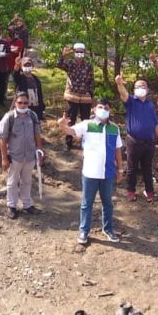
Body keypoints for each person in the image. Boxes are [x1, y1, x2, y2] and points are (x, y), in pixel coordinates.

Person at [57, 99, 124, 244]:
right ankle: (84, 231)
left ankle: (108, 229)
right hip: (90, 172)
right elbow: (71, 131)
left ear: (110, 111)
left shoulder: (114, 128)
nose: (103, 109)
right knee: (87, 203)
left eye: (106, 107)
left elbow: (118, 150)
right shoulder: (87, 125)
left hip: (108, 173)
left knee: (108, 203)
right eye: (100, 107)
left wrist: (120, 169)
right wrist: (62, 124)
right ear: (94, 109)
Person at [115, 74, 158, 202]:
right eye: (137, 86)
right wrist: (119, 84)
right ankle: (131, 191)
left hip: (149, 143)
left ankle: (150, 192)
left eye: (143, 86)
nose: (141, 88)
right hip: (133, 141)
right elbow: (123, 94)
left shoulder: (150, 105)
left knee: (147, 168)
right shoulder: (131, 101)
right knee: (132, 168)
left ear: (147, 89)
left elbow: (156, 123)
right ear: (134, 89)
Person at [0, 92, 44, 219]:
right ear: (15, 103)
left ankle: (27, 204)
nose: (23, 105)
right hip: (15, 156)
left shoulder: (33, 116)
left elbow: (37, 135)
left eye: (25, 103)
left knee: (27, 181)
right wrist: (4, 158)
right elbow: (3, 139)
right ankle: (11, 206)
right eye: (20, 102)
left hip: (29, 155)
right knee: (12, 182)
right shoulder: (9, 118)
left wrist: (40, 151)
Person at [57, 43, 94, 150]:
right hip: (71, 96)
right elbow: (59, 64)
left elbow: (91, 80)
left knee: (86, 120)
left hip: (85, 97)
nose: (79, 54)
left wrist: (90, 93)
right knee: (70, 119)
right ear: (74, 52)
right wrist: (63, 55)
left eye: (81, 52)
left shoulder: (88, 65)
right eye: (77, 51)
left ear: (84, 53)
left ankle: (85, 142)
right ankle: (68, 143)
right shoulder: (70, 64)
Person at [11, 56, 46, 120]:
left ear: (32, 66)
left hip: (36, 108)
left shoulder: (36, 79)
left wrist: (42, 110)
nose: (27, 66)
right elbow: (15, 74)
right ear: (21, 67)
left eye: (29, 65)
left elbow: (40, 95)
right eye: (25, 65)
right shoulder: (20, 78)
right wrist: (16, 64)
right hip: (23, 107)